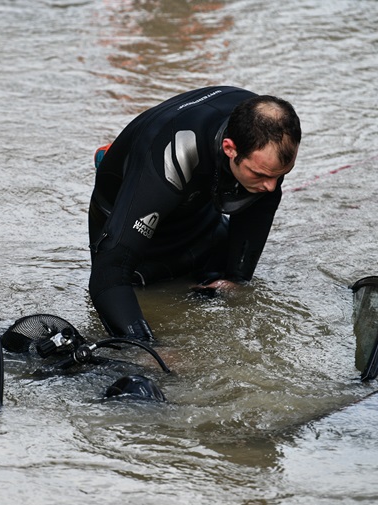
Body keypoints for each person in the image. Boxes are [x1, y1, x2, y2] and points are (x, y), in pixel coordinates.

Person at [88, 86, 301, 341]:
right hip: (144, 239)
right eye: (261, 175)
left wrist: (236, 278)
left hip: (200, 216)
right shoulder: (171, 153)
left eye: (280, 176)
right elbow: (107, 275)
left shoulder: (262, 123)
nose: (272, 186)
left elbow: (259, 203)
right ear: (229, 148)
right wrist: (146, 349)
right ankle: (119, 159)